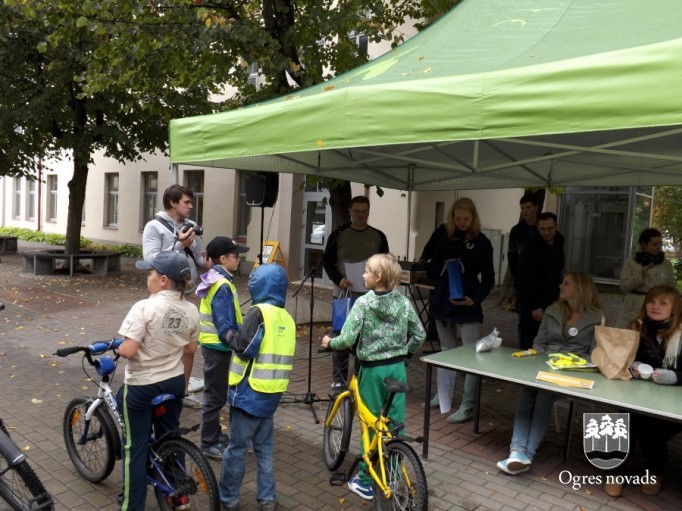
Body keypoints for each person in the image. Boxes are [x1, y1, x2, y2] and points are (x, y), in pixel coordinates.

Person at [321, 253, 426, 501]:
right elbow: (420, 334)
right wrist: (406, 353)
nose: (363, 275)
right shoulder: (403, 303)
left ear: (378, 277)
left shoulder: (364, 303)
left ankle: (366, 480)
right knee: (395, 422)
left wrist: (329, 342)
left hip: (372, 370)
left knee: (369, 424)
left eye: (367, 271)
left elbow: (347, 339)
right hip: (396, 368)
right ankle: (393, 474)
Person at [116, 251, 200, 510]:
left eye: (150, 272)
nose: (148, 276)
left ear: (163, 280)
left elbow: (128, 351)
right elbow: (190, 350)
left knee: (135, 448)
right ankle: (178, 496)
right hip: (174, 382)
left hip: (142, 386)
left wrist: (119, 346)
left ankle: (132, 506)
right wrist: (184, 384)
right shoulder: (192, 310)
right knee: (170, 439)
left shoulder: (144, 307)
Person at [497, 272, 603, 475]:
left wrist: (573, 364)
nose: (560, 286)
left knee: (543, 396)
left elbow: (596, 355)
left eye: (566, 283)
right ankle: (517, 453)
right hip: (546, 366)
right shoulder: (553, 310)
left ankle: (525, 455)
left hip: (575, 372)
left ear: (580, 289)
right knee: (527, 392)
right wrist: (540, 360)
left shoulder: (598, 318)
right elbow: (539, 343)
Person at [219, 263, 296, 511]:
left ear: (259, 285)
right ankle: (267, 499)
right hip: (271, 394)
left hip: (248, 394)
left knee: (236, 449)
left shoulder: (259, 312)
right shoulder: (287, 318)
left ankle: (228, 499)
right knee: (264, 450)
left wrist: (230, 335)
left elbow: (244, 347)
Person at [420, 197, 495, 423]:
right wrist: (440, 267)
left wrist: (474, 299)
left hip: (467, 302)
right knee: (446, 350)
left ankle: (468, 404)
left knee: (472, 354)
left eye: (466, 219)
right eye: (458, 218)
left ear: (474, 219)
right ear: (452, 217)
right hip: (443, 299)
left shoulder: (482, 242)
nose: (462, 223)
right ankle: (443, 395)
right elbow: (426, 260)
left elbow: (489, 278)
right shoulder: (442, 234)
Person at [604, 285, 682, 498]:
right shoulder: (637, 326)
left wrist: (674, 377)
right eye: (652, 301)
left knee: (651, 433)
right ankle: (616, 472)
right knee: (624, 421)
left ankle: (655, 473)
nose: (655, 306)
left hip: (674, 402)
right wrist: (634, 366)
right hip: (639, 395)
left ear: (674, 308)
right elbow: (624, 358)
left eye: (663, 303)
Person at [322, 195, 389, 389]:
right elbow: (327, 261)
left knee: (366, 338)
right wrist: (338, 279)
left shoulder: (378, 236)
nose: (360, 215)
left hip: (370, 297)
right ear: (350, 211)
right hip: (343, 295)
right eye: (357, 211)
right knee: (340, 335)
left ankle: (361, 378)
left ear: (368, 212)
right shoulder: (339, 234)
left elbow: (385, 264)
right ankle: (339, 380)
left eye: (364, 211)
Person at [195, 236, 250, 460]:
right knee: (215, 396)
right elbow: (224, 325)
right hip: (217, 348)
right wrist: (239, 343)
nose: (239, 259)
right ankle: (208, 442)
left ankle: (215, 434)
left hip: (214, 347)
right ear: (223, 258)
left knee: (216, 393)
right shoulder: (222, 285)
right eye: (236, 256)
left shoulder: (217, 279)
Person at [142, 184, 205, 292]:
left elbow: (198, 257)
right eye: (186, 202)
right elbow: (150, 260)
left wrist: (209, 264)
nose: (191, 206)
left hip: (191, 290)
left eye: (191, 202)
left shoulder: (192, 225)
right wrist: (181, 245)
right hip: (166, 292)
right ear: (173, 203)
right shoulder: (154, 227)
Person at [516, 212, 565, 349]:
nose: (546, 232)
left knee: (552, 338)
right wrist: (533, 306)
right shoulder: (529, 247)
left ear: (556, 227)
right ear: (537, 227)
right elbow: (524, 278)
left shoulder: (559, 242)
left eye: (550, 228)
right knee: (532, 340)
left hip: (553, 298)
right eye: (543, 229)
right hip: (534, 300)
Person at [616, 228, 674, 328]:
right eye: (654, 244)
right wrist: (641, 275)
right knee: (628, 333)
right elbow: (624, 286)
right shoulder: (631, 262)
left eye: (660, 244)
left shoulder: (666, 264)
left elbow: (671, 289)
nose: (658, 247)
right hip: (634, 308)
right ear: (644, 244)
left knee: (652, 334)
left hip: (657, 308)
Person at [508, 193, 540, 347]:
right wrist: (519, 278)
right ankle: (524, 348)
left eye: (528, 207)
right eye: (522, 208)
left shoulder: (543, 228)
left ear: (536, 208)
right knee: (524, 320)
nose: (525, 211)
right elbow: (512, 256)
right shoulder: (517, 231)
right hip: (523, 283)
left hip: (542, 282)